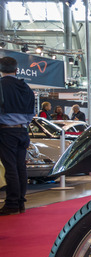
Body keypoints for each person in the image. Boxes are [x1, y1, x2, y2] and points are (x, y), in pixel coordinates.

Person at [0, 56, 36, 215]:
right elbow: (31, 113)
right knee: (21, 166)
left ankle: (12, 203)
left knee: (10, 168)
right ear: (16, 70)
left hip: (6, 131)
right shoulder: (26, 87)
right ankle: (21, 201)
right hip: (23, 131)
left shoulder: (1, 86)